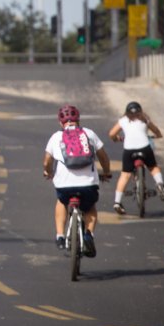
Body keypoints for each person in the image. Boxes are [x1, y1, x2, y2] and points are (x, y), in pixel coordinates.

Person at [43, 105, 111, 256]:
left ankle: (60, 235)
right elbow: (103, 157)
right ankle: (88, 234)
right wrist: (106, 173)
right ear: (78, 120)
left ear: (61, 123)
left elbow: (47, 160)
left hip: (64, 186)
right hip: (88, 185)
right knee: (89, 207)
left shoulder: (56, 137)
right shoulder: (89, 133)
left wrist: (48, 172)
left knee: (61, 202)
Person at [108, 101, 164, 214]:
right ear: (140, 111)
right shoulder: (145, 120)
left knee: (125, 175)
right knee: (153, 167)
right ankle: (160, 184)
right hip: (145, 147)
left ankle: (117, 202)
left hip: (129, 150)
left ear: (126, 113)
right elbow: (157, 131)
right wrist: (156, 136)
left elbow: (111, 133)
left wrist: (117, 138)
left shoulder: (123, 121)